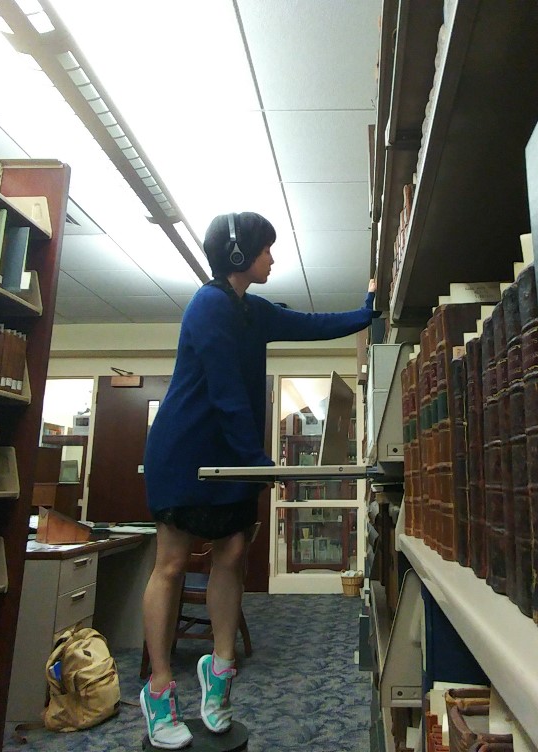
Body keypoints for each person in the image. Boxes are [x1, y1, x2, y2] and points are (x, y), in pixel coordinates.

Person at [139, 211, 379, 749]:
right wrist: (261, 464)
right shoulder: (209, 307)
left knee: (230, 558)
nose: (273, 258)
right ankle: (158, 689)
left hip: (232, 452)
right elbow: (225, 392)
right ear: (238, 255)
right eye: (266, 250)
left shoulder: (253, 310)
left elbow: (313, 325)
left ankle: (219, 672)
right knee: (172, 564)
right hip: (185, 453)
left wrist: (367, 313)